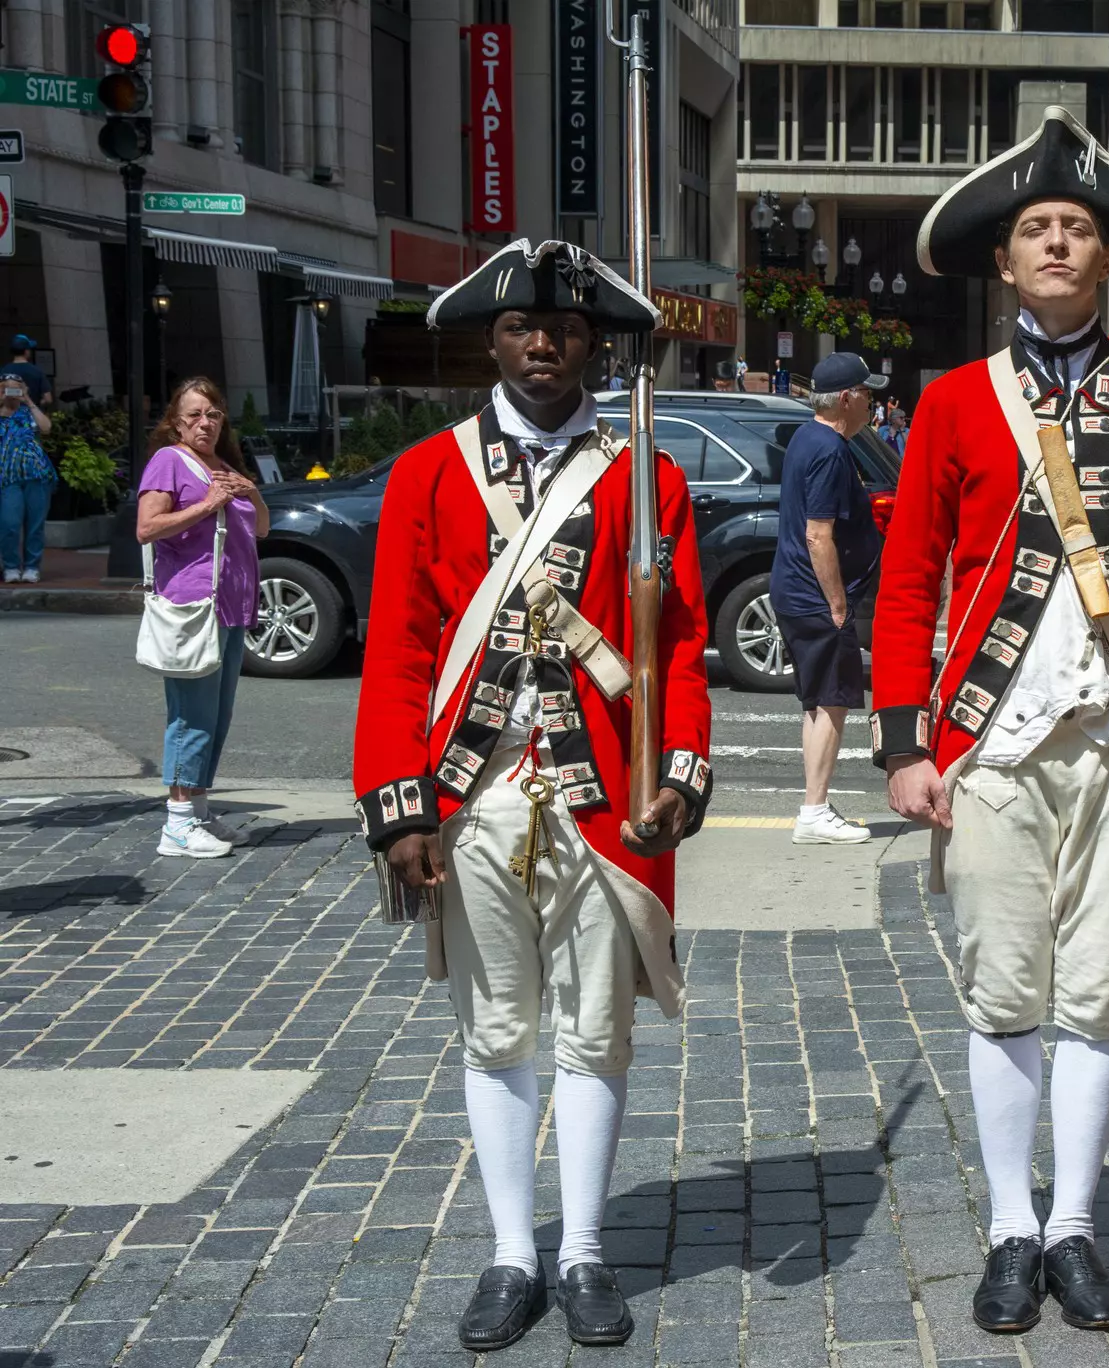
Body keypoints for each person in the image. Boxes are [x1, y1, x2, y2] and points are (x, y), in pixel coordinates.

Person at [872, 107, 1109, 1335]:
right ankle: (1007, 1226)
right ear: (1003, 262)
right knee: (1003, 990)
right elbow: (907, 577)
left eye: (1076, 230)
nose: (1054, 244)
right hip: (988, 741)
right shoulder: (949, 402)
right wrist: (902, 743)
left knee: (1097, 992)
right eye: (1035, 229)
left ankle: (1077, 1226)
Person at [351, 240, 715, 1352]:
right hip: (471, 792)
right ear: (492, 344)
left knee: (596, 1034)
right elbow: (400, 650)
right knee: (497, 1032)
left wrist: (681, 774)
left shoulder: (646, 475)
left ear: (594, 343)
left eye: (562, 327)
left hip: (605, 791)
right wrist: (398, 805)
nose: (542, 342)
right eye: (521, 327)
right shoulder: (428, 471)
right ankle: (515, 1252)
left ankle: (587, 1250)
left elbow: (683, 647)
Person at [136, 378, 268, 857]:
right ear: (175, 420)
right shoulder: (168, 461)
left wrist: (251, 493)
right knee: (191, 715)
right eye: (194, 415)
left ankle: (199, 813)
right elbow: (147, 527)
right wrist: (207, 504)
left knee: (217, 715)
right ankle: (176, 823)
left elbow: (262, 527)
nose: (205, 423)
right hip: (194, 605)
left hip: (232, 607)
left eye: (213, 414)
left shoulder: (222, 466)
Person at [772, 350, 886, 845]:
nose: (872, 403)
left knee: (818, 702)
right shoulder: (829, 449)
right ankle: (814, 811)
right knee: (833, 703)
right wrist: (838, 605)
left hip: (797, 592)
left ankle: (814, 806)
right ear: (846, 398)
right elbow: (819, 534)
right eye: (867, 394)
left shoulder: (809, 436)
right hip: (814, 598)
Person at [0, 374, 55, 584]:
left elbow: (46, 428)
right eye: (8, 388)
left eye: (16, 389)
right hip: (8, 478)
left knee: (35, 525)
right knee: (9, 524)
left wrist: (29, 401)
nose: (12, 393)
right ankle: (11, 565)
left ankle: (32, 566)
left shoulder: (29, 412)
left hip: (36, 475)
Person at [0, 335, 52, 407]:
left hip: (9, 415)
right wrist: (35, 405)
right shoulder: (37, 371)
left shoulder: (3, 371)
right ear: (26, 351)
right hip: (31, 415)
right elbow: (48, 399)